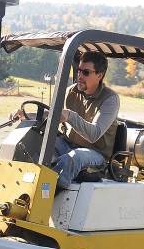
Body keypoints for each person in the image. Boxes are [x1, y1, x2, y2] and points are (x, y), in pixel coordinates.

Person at [12, 51, 120, 187]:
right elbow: (52, 114)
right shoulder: (71, 91)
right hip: (67, 144)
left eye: (85, 72)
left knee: (74, 158)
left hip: (95, 154)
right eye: (79, 70)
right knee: (29, 141)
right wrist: (27, 114)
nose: (79, 76)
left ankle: (47, 196)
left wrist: (70, 116)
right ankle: (19, 185)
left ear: (99, 75)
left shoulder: (110, 99)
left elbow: (94, 134)